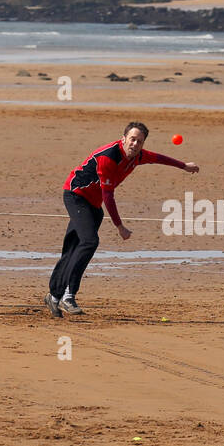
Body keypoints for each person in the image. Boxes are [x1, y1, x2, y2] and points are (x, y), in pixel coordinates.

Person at [45, 121, 198, 317]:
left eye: (139, 141)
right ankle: (66, 295)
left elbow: (158, 158)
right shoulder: (109, 157)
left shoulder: (139, 156)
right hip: (76, 196)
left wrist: (184, 166)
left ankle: (56, 296)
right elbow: (108, 196)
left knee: (75, 248)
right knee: (89, 242)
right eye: (132, 139)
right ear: (124, 138)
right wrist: (120, 226)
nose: (135, 144)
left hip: (92, 204)